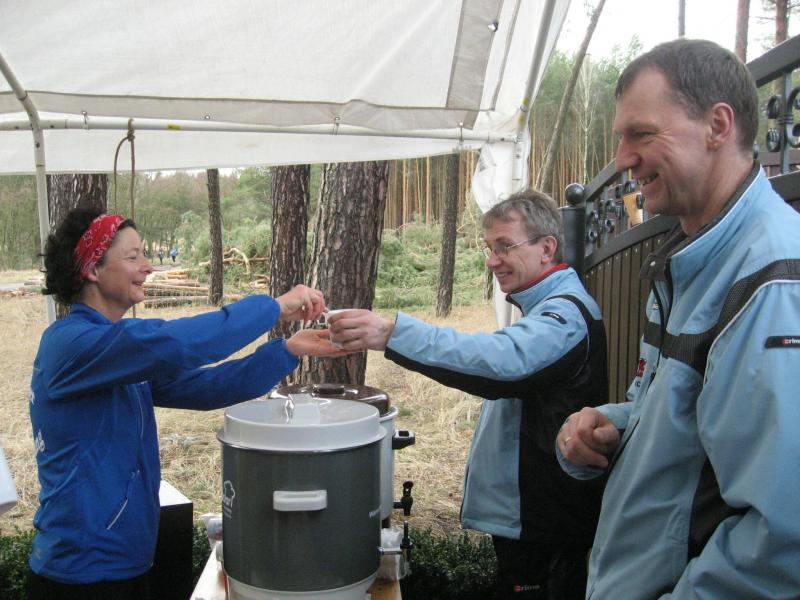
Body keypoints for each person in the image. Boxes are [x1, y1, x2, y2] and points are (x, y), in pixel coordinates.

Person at [557, 39, 800, 599]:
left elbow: (779, 543)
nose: (622, 159)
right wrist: (611, 425)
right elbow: (694, 436)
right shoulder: (694, 259)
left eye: (641, 134)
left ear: (717, 126)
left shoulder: (770, 284)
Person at [27, 207, 346, 600]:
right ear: (93, 268)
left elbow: (205, 386)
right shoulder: (71, 344)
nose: (148, 267)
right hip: (80, 576)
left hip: (123, 563)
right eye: (133, 256)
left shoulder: (114, 352)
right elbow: (177, 343)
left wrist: (288, 351)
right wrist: (274, 307)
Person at [330, 190, 608, 600]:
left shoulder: (564, 316)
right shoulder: (545, 308)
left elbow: (504, 363)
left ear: (547, 248)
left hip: (545, 525)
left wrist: (392, 333)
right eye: (489, 248)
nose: (492, 261)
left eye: (505, 246)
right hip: (534, 520)